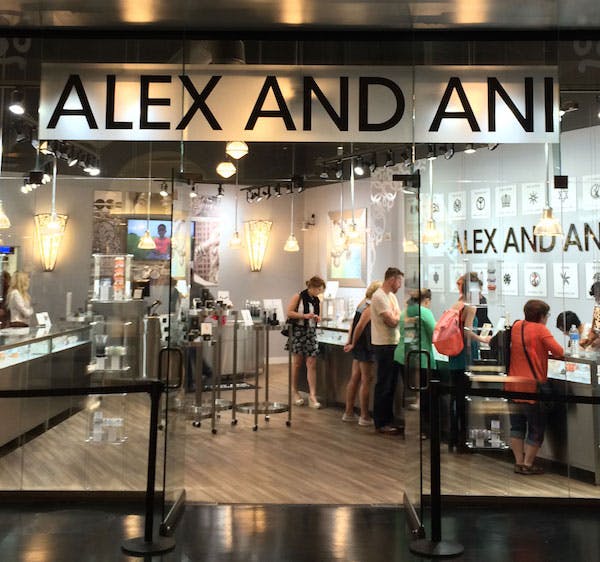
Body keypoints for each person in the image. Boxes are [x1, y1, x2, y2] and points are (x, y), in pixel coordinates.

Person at [505, 299, 563, 475]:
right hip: (532, 387)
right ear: (542, 316)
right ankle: (528, 464)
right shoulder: (540, 330)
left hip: (513, 384)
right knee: (536, 428)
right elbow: (559, 352)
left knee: (516, 426)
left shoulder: (517, 326)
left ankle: (518, 462)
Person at [448, 272, 492, 452]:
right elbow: (466, 331)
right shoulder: (470, 307)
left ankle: (454, 437)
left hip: (455, 353)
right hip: (465, 354)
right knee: (463, 398)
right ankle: (462, 440)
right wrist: (482, 339)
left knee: (456, 396)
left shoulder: (457, 303)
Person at [394, 288, 436, 437]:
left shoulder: (405, 312)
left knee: (409, 393)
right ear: (426, 300)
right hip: (421, 358)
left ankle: (409, 427)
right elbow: (435, 334)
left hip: (403, 356)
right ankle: (423, 430)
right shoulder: (425, 312)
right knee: (424, 396)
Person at [342, 280, 382, 426]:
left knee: (355, 378)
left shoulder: (362, 303)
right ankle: (364, 415)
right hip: (365, 346)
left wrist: (350, 341)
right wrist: (352, 342)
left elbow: (353, 324)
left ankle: (349, 412)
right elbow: (359, 326)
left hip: (359, 345)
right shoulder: (370, 308)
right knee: (366, 379)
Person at [370, 267, 404, 435]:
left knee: (391, 385)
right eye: (399, 281)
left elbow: (398, 316)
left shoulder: (391, 297)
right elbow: (392, 321)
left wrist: (396, 316)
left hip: (393, 344)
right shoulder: (379, 297)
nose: (400, 285)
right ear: (392, 280)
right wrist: (396, 316)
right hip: (383, 345)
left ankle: (389, 420)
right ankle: (381, 422)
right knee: (384, 384)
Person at [287, 275, 326, 409]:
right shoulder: (298, 296)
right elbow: (289, 312)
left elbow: (317, 315)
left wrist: (317, 318)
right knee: (297, 363)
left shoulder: (316, 300)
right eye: (319, 289)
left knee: (312, 363)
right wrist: (304, 316)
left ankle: (312, 395)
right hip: (298, 332)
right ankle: (295, 391)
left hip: (311, 332)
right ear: (313, 287)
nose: (320, 292)